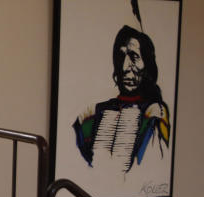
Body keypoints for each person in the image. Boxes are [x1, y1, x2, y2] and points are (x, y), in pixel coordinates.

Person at [73, 25, 171, 173]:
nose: (126, 67)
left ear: (147, 63)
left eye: (134, 57)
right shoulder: (92, 114)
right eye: (121, 57)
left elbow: (152, 167)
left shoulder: (155, 113)